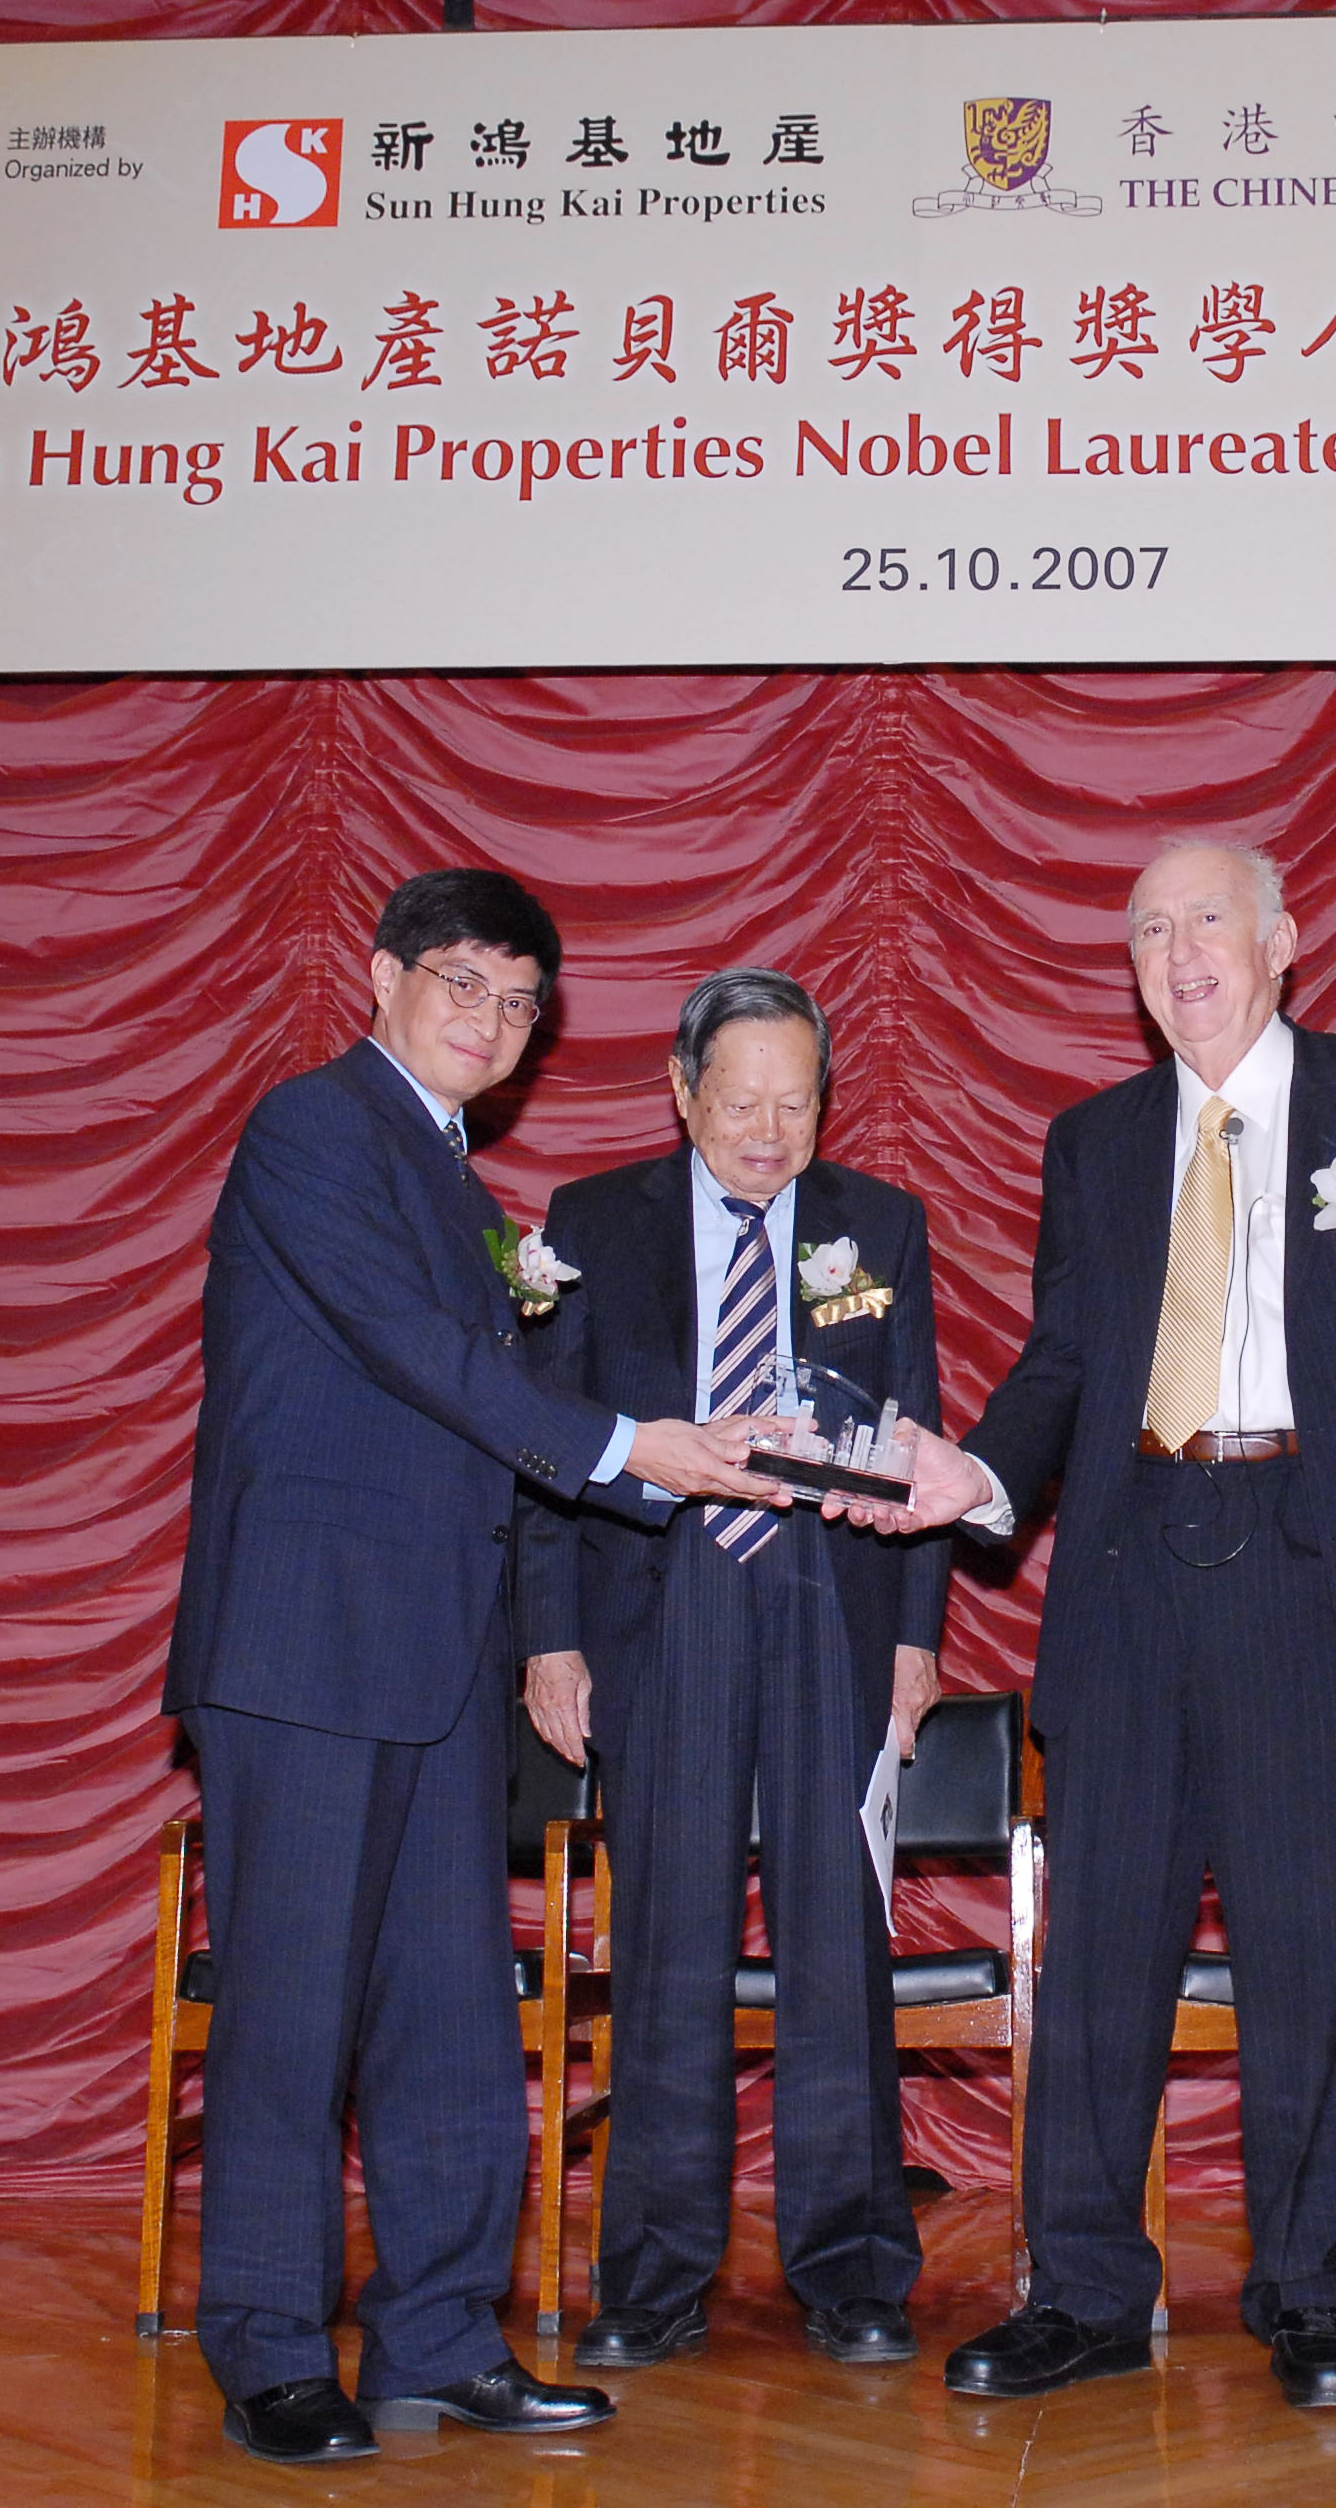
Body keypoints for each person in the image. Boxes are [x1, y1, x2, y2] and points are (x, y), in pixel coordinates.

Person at [161, 868, 791, 2468]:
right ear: (380, 978)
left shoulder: (457, 1179)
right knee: (293, 2018)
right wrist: (624, 1447)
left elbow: (464, 1402)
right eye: (464, 986)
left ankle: (441, 2334)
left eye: (521, 1006)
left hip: (441, 1655)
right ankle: (270, 2347)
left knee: (453, 2017)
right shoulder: (314, 1128)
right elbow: (404, 1348)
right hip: (304, 1646)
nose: (493, 1024)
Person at [859, 839, 1336, 2408]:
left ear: (1286, 940)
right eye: (1146, 928)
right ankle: (1088, 2292)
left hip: (1311, 1568)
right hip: (1123, 1575)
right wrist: (976, 1474)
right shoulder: (1096, 1139)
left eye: (1207, 920)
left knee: (1307, 1949)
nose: (1176, 950)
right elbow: (1068, 1358)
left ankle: (1309, 2291)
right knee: (1101, 1952)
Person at [520, 967, 949, 2373]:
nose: (770, 1132)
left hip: (831, 1605)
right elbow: (542, 1448)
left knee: (839, 1949)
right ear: (682, 1093)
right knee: (668, 1953)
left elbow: (923, 1441)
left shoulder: (877, 1224)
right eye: (741, 1101)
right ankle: (649, 2277)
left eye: (798, 1102)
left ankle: (855, 2269)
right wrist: (549, 1635)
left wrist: (912, 1641)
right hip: (666, 1599)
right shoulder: (594, 1226)